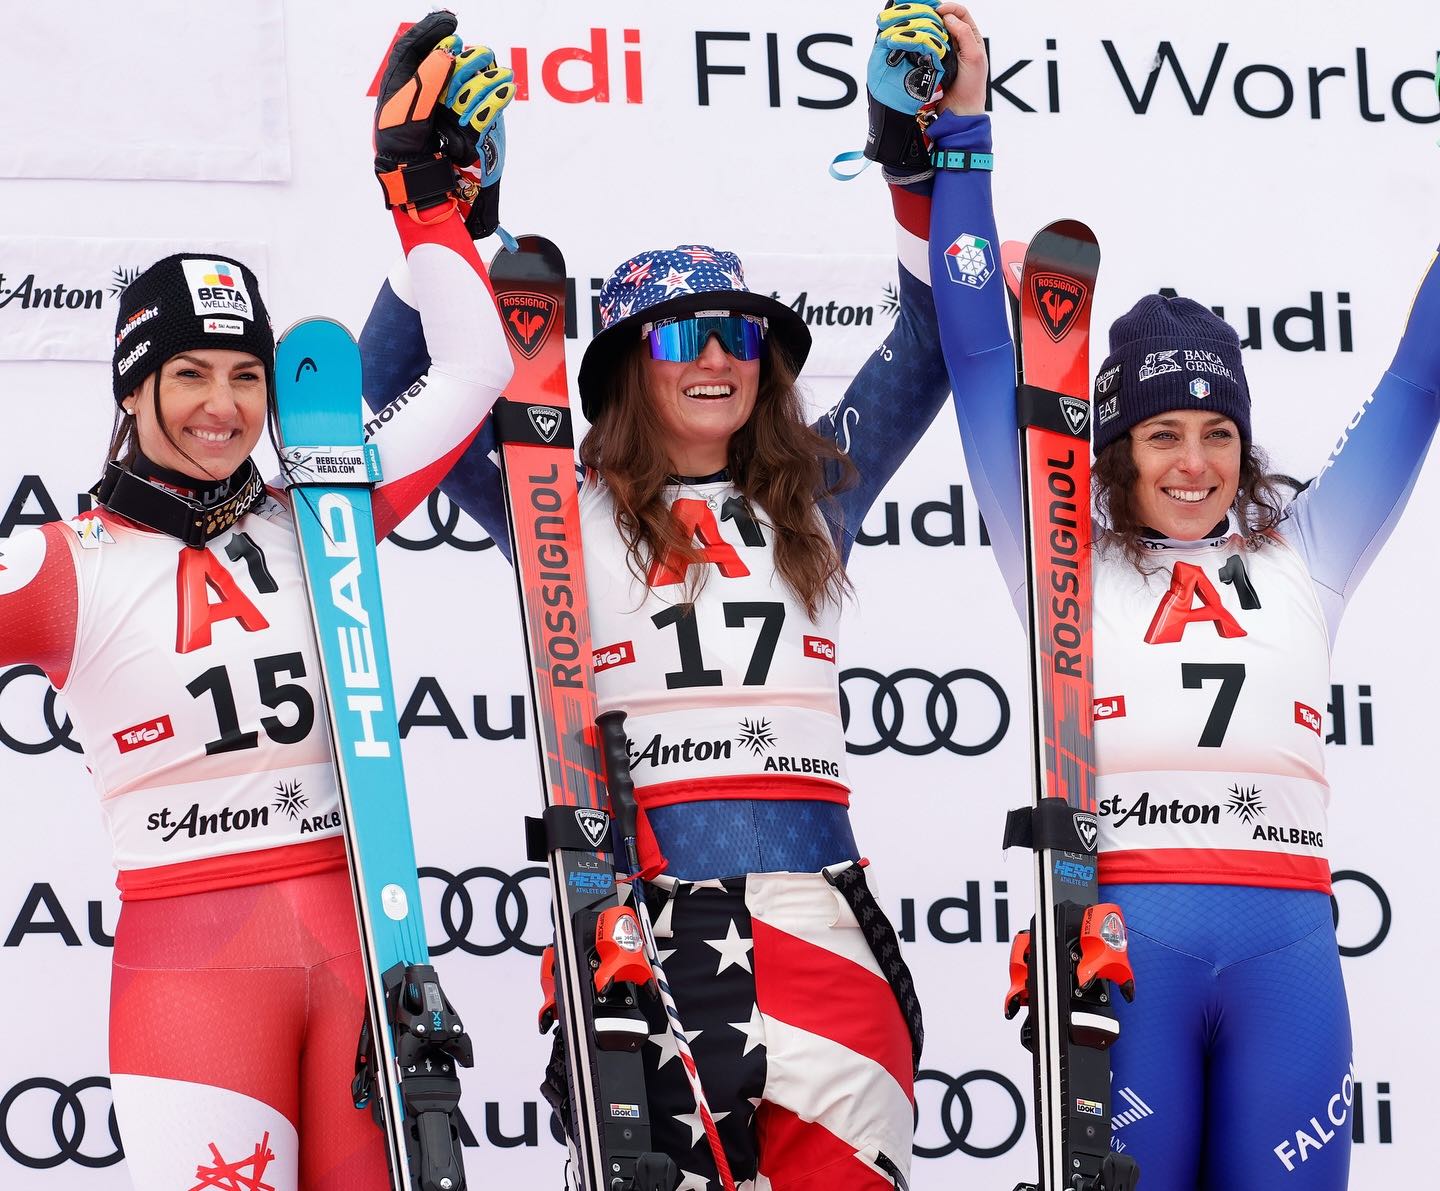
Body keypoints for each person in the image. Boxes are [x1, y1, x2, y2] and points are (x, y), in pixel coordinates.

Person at [358, 6, 991, 1185]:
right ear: (617, 372)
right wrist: (447, 217)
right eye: (679, 337)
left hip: (824, 932)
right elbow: (386, 390)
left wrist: (920, 162)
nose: (716, 357)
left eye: (740, 337)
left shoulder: (818, 492)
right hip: (641, 934)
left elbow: (937, 345)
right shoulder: (550, 497)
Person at [926, 4, 1440, 1186]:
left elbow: (1417, 381)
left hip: (1286, 955)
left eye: (1218, 432)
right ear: (1113, 447)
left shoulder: (1309, 548)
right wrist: (963, 138)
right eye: (1163, 434)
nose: (1195, 462)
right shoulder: (1057, 543)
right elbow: (978, 357)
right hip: (1129, 944)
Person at [0, 17, 514, 1189]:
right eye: (189, 374)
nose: (222, 405)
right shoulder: (60, 564)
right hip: (194, 967)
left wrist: (424, 203)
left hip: (358, 940)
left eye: (243, 374)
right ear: (134, 390)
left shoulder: (320, 510)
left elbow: (477, 368)